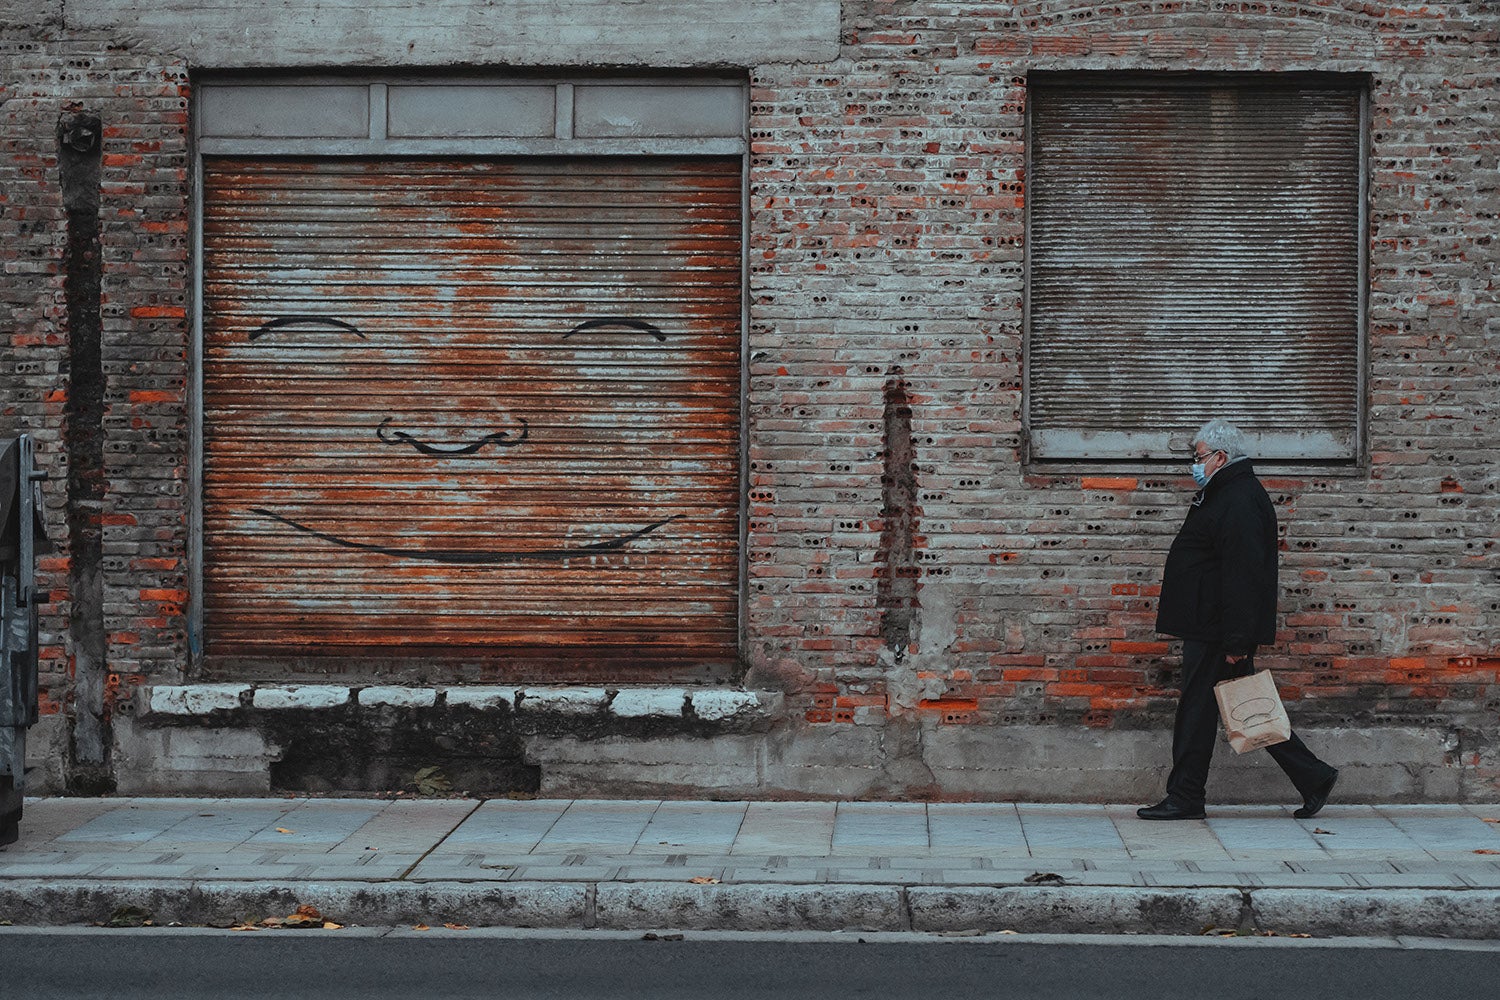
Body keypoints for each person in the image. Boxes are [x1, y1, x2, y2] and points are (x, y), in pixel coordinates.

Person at [1138, 419, 1339, 821]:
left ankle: (1186, 796)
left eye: (1198, 458)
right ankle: (1313, 776)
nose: (1194, 465)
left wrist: (1236, 641)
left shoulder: (1239, 498)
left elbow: (1245, 575)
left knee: (1197, 712)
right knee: (1245, 705)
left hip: (1217, 628)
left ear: (1220, 457)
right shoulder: (1225, 492)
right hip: (1214, 624)